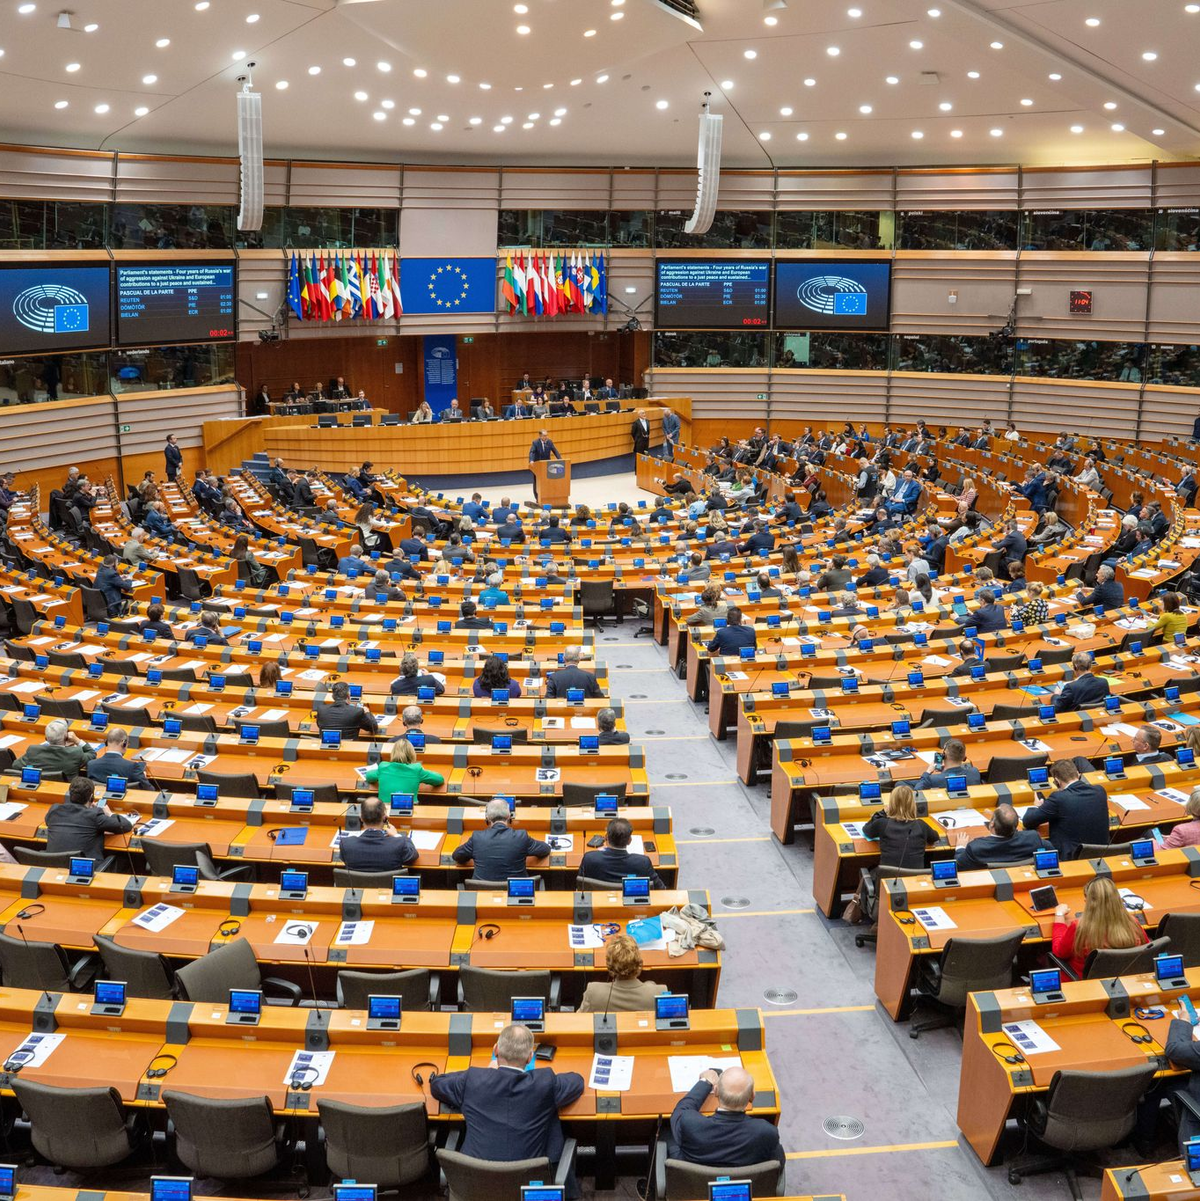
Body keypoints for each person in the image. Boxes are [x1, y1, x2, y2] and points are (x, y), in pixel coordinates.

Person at [430, 1022, 584, 1167]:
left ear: (496, 1050)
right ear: (530, 1057)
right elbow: (577, 1081)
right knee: (552, 1120)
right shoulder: (544, 1083)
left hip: (475, 1181)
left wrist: (484, 1073)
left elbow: (437, 1084)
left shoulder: (473, 1079)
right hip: (528, 1181)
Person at [669, 1066, 784, 1170]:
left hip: (694, 1188)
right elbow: (776, 1166)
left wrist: (705, 1082)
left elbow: (681, 1110)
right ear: (752, 1096)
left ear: (716, 1091)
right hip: (745, 1189)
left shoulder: (691, 1123)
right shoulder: (766, 1132)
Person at [1052, 876, 1147, 978]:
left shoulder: (1079, 927)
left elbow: (1060, 952)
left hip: (1087, 985)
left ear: (1088, 901)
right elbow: (1146, 949)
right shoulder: (1133, 922)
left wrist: (1059, 914)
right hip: (1125, 981)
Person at [1022, 758, 1109, 858]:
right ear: (1078, 774)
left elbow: (1028, 821)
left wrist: (1036, 806)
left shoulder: (1059, 798)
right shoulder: (1100, 791)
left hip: (1070, 857)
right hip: (1101, 854)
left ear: (1057, 781)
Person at [451, 798, 550, 878]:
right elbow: (545, 849)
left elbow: (457, 856)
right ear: (509, 816)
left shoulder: (477, 838)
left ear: (487, 817)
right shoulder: (521, 837)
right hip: (516, 893)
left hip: (482, 895)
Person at [45, 776, 133, 861]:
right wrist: (109, 813)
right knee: (122, 860)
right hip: (85, 868)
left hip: (54, 864)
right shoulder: (94, 815)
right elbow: (126, 825)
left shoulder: (54, 810)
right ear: (91, 797)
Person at [578, 934, 667, 1013]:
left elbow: (578, 1021)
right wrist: (650, 985)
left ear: (609, 966)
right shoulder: (658, 993)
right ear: (639, 963)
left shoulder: (593, 992)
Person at [862, 785, 940, 868]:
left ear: (892, 803)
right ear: (913, 804)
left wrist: (882, 812)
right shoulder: (921, 825)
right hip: (915, 878)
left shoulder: (882, 823)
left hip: (887, 879)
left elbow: (866, 830)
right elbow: (935, 837)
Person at [952, 803, 1048, 869]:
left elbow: (959, 865)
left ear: (992, 824)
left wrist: (960, 847)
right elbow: (1051, 850)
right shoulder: (1032, 838)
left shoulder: (975, 847)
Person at [338, 795, 421, 872]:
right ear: (385, 817)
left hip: (357, 887)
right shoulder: (399, 844)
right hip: (389, 886)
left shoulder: (346, 844)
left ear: (361, 818)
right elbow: (413, 856)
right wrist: (396, 835)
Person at [579, 817, 664, 887]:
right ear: (629, 841)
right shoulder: (643, 862)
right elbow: (660, 889)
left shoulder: (589, 858)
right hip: (632, 907)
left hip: (599, 904)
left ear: (606, 838)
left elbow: (579, 885)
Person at [362, 737, 444, 802]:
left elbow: (369, 776)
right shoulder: (416, 769)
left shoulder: (383, 767)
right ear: (412, 753)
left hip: (384, 812)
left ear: (393, 753)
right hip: (408, 810)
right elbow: (439, 779)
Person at [14, 717, 95, 777]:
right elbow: (92, 754)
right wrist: (77, 740)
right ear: (66, 737)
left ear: (46, 738)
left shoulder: (33, 750)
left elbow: (15, 765)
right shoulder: (75, 753)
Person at [86, 727, 150, 789]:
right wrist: (142, 775)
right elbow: (150, 789)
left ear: (106, 742)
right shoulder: (132, 767)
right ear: (124, 743)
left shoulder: (91, 765)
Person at [315, 680, 379, 737]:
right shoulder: (357, 711)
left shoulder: (321, 709)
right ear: (348, 695)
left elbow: (319, 725)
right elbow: (373, 727)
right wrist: (367, 712)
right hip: (351, 747)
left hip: (328, 748)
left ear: (333, 696)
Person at [914, 739, 983, 792]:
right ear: (964, 757)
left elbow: (916, 791)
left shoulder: (933, 779)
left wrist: (928, 772)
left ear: (944, 755)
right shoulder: (975, 772)